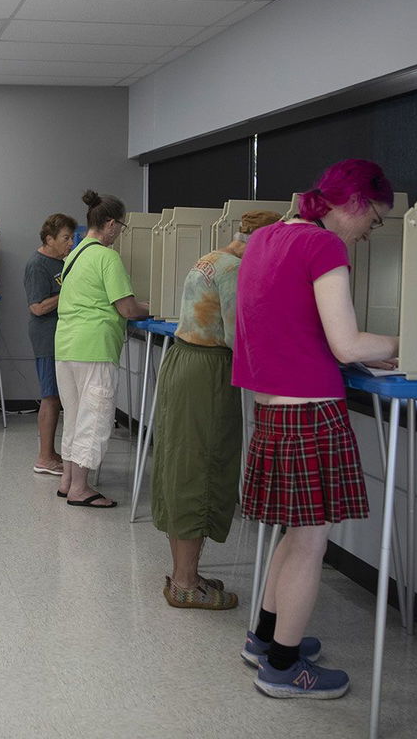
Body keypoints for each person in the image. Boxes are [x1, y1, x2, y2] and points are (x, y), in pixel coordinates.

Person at [233, 159, 399, 698]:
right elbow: (347, 345)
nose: (369, 231)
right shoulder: (326, 247)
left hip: (273, 408)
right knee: (311, 543)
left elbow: (290, 323)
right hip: (311, 410)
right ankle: (283, 669)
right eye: (372, 219)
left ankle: (264, 639)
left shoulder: (266, 239)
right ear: (352, 202)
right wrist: (407, 343)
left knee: (294, 532)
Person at [151, 209, 283, 610]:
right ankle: (187, 584)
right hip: (207, 371)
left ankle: (182, 573)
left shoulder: (211, 258)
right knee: (202, 470)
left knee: (181, 466)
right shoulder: (236, 271)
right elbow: (236, 334)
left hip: (183, 361)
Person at [54, 190, 149, 508]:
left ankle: (68, 481)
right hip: (94, 347)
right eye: (120, 226)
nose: (120, 232)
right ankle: (81, 488)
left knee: (74, 415)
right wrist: (156, 306)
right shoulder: (107, 257)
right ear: (110, 223)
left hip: (66, 346)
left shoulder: (75, 254)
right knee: (94, 417)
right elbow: (128, 309)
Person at [23, 213, 77, 475]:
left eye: (72, 237)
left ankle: (51, 452)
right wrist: (68, 291)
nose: (71, 243)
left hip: (61, 336)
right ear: (49, 239)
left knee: (56, 396)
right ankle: (44, 458)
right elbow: (37, 307)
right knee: (50, 397)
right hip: (46, 337)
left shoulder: (62, 261)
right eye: (66, 238)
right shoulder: (37, 265)